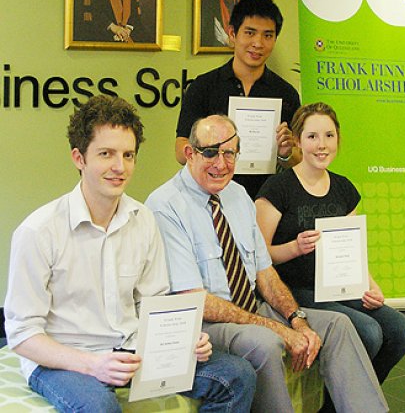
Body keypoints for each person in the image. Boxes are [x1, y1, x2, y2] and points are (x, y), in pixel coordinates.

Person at [4, 96, 256, 412]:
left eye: (128, 155)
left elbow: (154, 302)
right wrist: (92, 365)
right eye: (106, 154)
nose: (120, 167)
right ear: (79, 158)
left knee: (237, 376)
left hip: (132, 348)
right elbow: (22, 334)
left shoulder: (142, 219)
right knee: (101, 408)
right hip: (65, 358)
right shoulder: (38, 231)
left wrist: (183, 339)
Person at [146, 114, 389, 413]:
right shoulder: (164, 205)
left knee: (338, 324)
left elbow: (264, 272)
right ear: (190, 153)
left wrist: (296, 318)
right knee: (265, 342)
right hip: (206, 323)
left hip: (253, 307)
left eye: (229, 153)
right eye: (210, 152)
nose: (221, 164)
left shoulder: (238, 196)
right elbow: (194, 300)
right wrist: (279, 329)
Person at [255, 102, 405, 385]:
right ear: (297, 141)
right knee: (368, 332)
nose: (322, 145)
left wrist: (370, 285)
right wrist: (295, 247)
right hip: (295, 291)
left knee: (402, 331)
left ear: (338, 138)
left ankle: (356, 397)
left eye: (329, 135)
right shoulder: (277, 189)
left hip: (338, 286)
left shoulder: (344, 188)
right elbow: (257, 256)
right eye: (312, 136)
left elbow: (352, 250)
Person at [176, 0, 302, 200]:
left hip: (268, 201)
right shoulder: (204, 86)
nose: (258, 43)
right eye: (250, 33)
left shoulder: (286, 94)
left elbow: (298, 160)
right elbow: (180, 150)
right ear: (232, 34)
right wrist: (212, 150)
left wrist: (285, 153)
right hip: (211, 199)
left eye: (267, 35)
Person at [73, 0, 156, 43]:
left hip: (129, 30)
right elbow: (92, 10)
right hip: (101, 29)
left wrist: (128, 29)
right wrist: (113, 27)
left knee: (149, 42)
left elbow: (134, 12)